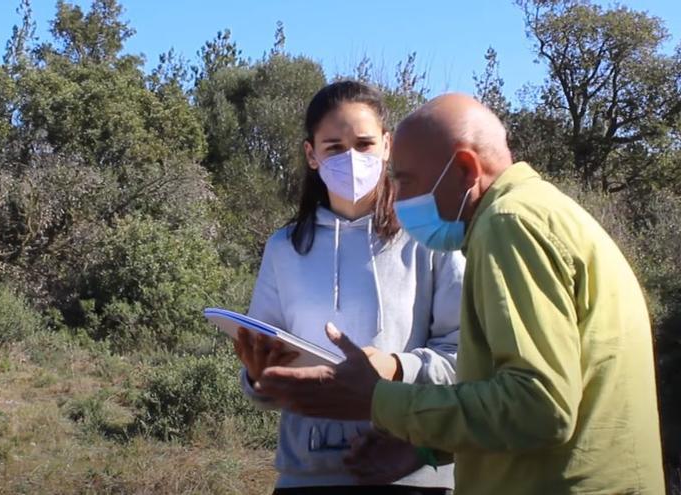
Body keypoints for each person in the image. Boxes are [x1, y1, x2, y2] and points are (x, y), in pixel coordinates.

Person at [256, 93, 666, 494]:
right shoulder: (546, 212)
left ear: (466, 169)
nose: (399, 195)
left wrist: (380, 400)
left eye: (406, 180)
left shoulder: (510, 225)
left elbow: (540, 407)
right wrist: (426, 447)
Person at [233, 80, 465, 494]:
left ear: (387, 146)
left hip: (412, 473)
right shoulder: (285, 247)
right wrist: (258, 377)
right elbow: (265, 370)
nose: (352, 159)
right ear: (312, 154)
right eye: (335, 147)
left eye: (364, 144)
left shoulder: (429, 237)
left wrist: (396, 367)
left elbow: (465, 354)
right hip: (306, 475)